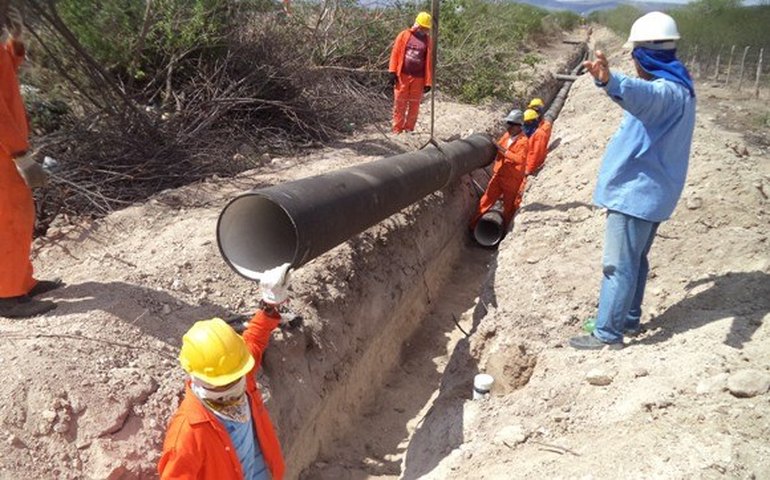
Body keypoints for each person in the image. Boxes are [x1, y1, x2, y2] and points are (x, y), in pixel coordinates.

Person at [570, 11, 696, 350]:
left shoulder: (665, 94)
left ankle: (608, 334)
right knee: (635, 260)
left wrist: (610, 82)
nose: (633, 63)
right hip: (653, 194)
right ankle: (627, 318)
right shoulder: (680, 89)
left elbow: (643, 96)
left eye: (634, 56)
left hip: (636, 195)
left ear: (645, 56)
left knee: (618, 265)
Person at [158, 263, 292, 479]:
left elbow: (255, 339)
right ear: (196, 376)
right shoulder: (188, 432)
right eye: (222, 383)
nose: (231, 388)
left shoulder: (238, 371)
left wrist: (270, 303)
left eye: (235, 378)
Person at [0, 5, 61, 319]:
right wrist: (20, 154)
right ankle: (7, 295)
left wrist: (16, 40)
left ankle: (21, 280)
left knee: (19, 216)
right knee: (9, 220)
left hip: (6, 151)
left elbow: (8, 67)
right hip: (3, 152)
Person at [470, 109, 528, 230]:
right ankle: (473, 226)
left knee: (509, 206)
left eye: (511, 125)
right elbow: (497, 146)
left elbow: (519, 159)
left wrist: (503, 150)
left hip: (512, 179)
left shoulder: (523, 141)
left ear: (519, 126)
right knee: (486, 200)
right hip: (499, 175)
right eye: (508, 124)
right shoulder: (507, 136)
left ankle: (503, 231)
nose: (509, 127)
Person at [388, 12, 433, 134]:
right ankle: (397, 129)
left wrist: (428, 82)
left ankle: (409, 128)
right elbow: (395, 53)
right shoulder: (403, 35)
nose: (423, 30)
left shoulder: (428, 41)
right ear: (416, 24)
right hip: (402, 75)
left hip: (419, 78)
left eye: (425, 28)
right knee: (399, 102)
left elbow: (429, 62)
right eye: (422, 27)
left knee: (414, 105)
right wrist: (392, 71)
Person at [514, 107, 554, 212]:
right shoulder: (530, 133)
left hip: (530, 168)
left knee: (518, 192)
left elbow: (535, 154)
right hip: (522, 165)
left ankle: (514, 210)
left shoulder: (540, 134)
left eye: (526, 122)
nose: (524, 125)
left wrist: (528, 171)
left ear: (532, 121)